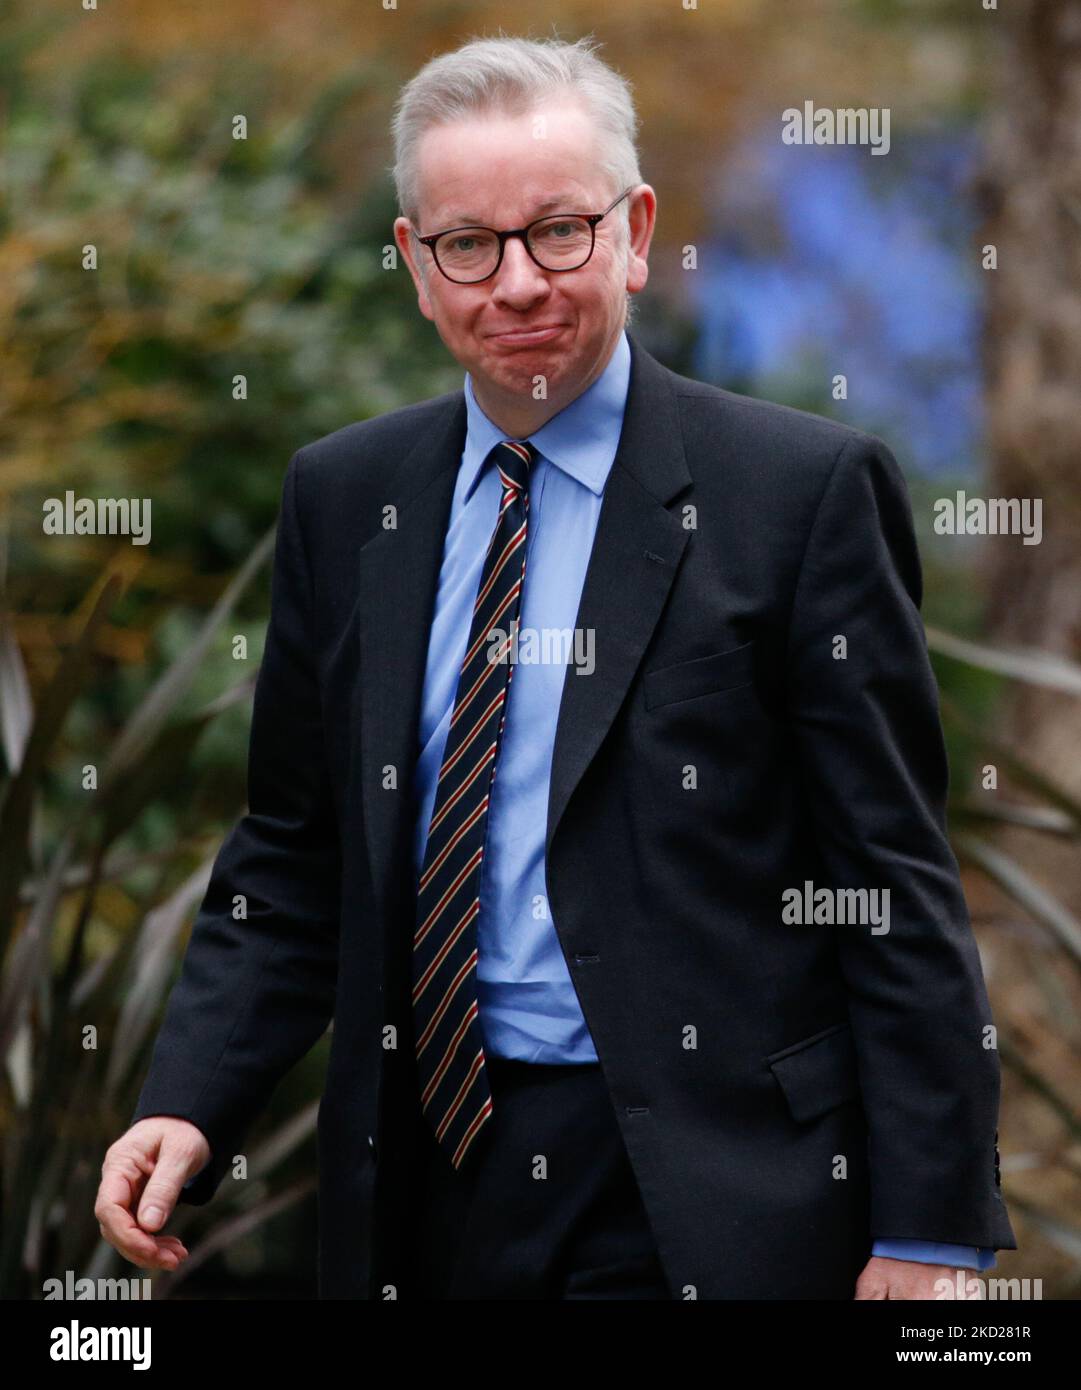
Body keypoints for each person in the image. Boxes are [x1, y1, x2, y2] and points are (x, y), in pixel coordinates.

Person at [95, 33, 1016, 1300]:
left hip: (709, 1192)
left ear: (634, 232)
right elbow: (295, 852)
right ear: (418, 266)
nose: (518, 282)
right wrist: (189, 1101)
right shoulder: (345, 496)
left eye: (559, 232)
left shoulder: (797, 497)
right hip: (420, 1186)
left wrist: (928, 1232)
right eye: (469, 244)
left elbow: (889, 880)